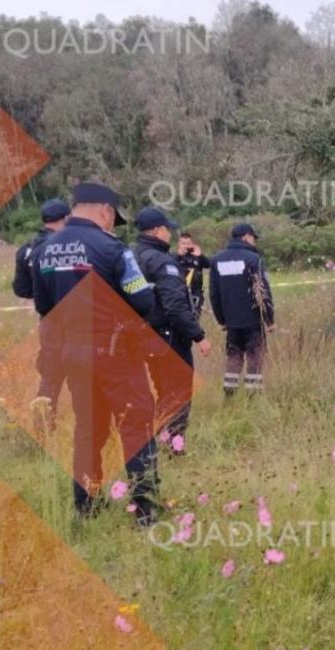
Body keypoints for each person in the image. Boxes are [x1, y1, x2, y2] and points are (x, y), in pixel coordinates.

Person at [31, 182, 160, 524]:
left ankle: (85, 506)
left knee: (88, 429)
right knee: (136, 425)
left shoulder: (46, 249)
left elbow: (44, 306)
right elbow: (142, 300)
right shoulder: (111, 248)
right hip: (116, 354)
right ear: (105, 211)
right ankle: (145, 510)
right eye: (111, 218)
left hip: (73, 355)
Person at [132, 207, 211, 453]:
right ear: (157, 230)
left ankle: (163, 441)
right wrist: (199, 335)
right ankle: (175, 448)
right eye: (168, 229)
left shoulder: (132, 257)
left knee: (164, 393)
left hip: (146, 336)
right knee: (179, 393)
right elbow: (176, 307)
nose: (170, 234)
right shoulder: (162, 262)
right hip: (170, 337)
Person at [12, 198, 70, 427]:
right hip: (77, 320)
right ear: (66, 219)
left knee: (51, 376)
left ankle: (42, 429)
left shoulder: (27, 249)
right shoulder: (71, 245)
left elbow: (22, 289)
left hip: (49, 321)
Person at [209, 223, 273, 393]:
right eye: (254, 237)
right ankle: (253, 395)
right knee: (255, 356)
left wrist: (221, 319)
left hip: (231, 322)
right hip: (253, 320)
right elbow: (263, 291)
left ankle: (229, 394)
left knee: (234, 356)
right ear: (246, 237)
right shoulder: (253, 259)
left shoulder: (217, 260)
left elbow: (214, 294)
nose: (255, 242)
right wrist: (269, 319)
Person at [174, 233, 211, 317]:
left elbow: (209, 265)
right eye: (183, 243)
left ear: (192, 244)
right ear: (179, 244)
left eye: (188, 243)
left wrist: (201, 255)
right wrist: (178, 256)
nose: (186, 246)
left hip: (196, 291)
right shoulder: (174, 257)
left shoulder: (196, 256)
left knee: (195, 316)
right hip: (179, 291)